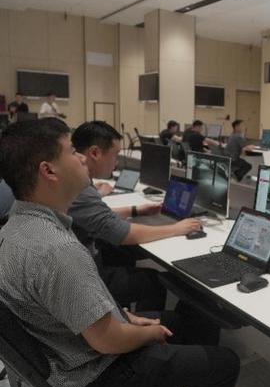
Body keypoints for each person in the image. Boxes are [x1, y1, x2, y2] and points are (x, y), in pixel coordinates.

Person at [0, 118, 240, 387]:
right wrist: (149, 333)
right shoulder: (57, 249)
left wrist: (123, 316)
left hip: (65, 352)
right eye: (72, 151)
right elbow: (108, 341)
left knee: (181, 322)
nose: (82, 158)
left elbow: (64, 305)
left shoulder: (16, 227)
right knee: (226, 362)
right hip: (96, 373)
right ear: (49, 170)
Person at [68, 121, 202, 312]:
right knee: (152, 280)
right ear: (95, 153)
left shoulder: (78, 181)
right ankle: (140, 326)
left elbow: (96, 215)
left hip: (81, 265)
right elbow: (123, 233)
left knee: (125, 253)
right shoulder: (80, 187)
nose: (116, 162)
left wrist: (136, 210)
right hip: (87, 280)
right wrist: (176, 229)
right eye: (115, 155)